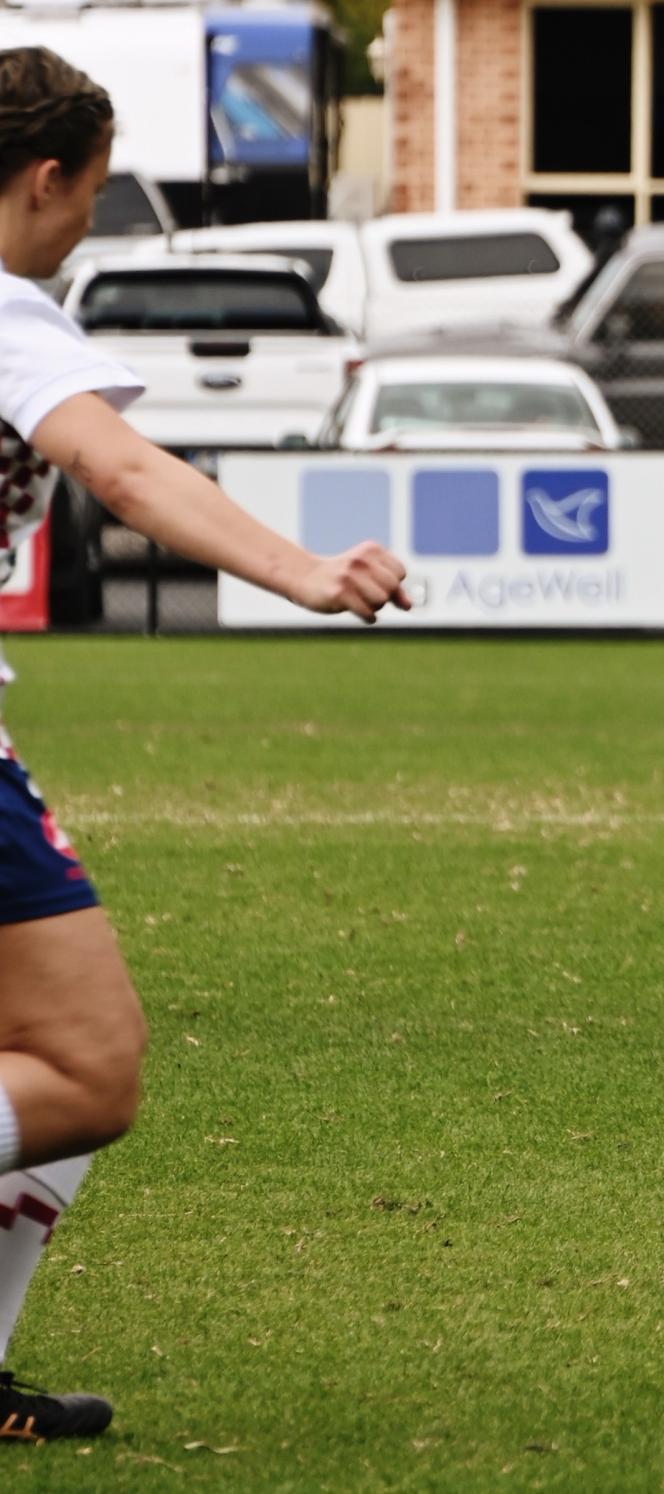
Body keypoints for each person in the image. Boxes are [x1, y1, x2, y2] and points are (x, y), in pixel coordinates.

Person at [0, 46, 409, 1434]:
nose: (89, 224)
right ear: (47, 178)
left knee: (46, 1059)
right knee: (88, 1066)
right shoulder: (8, 314)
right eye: (95, 196)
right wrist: (298, 571)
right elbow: (118, 467)